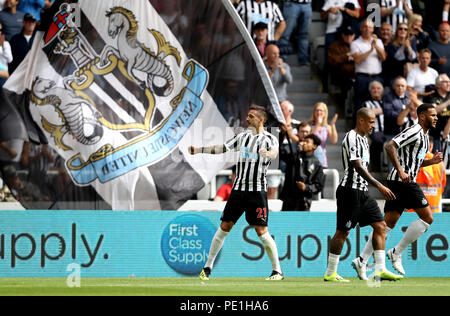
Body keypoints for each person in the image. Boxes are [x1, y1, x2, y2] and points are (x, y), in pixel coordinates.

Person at [189, 105, 284, 281]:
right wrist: (200, 149)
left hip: (257, 192)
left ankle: (277, 271)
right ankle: (207, 268)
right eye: (247, 116)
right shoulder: (242, 137)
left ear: (260, 120)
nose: (247, 119)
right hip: (238, 190)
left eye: (251, 116)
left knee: (262, 231)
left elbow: (274, 153)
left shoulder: (270, 139)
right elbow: (222, 148)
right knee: (224, 227)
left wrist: (268, 153)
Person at [354, 104, 443, 277]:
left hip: (401, 181)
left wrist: (431, 162)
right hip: (403, 181)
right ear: (422, 117)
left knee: (387, 224)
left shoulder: (425, 137)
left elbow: (415, 163)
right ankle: (396, 252)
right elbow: (389, 146)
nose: (436, 118)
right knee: (427, 218)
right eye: (432, 115)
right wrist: (401, 170)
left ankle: (362, 260)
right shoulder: (414, 131)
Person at [324, 108, 401, 282]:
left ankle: (379, 269)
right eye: (371, 122)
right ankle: (330, 272)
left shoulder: (365, 140)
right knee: (342, 232)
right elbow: (358, 166)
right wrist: (379, 184)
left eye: (374, 122)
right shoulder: (351, 137)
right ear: (361, 120)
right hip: (350, 191)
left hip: (363, 192)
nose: (373, 125)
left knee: (380, 226)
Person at [280, 134, 325, 211]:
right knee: (286, 223)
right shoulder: (293, 157)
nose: (304, 143)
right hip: (288, 201)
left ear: (314, 146)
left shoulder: (317, 164)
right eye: (303, 141)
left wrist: (306, 187)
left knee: (301, 223)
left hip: (304, 202)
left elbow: (319, 185)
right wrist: (282, 134)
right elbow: (280, 152)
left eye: (307, 142)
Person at [351, 19, 386, 110]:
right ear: (361, 28)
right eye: (365, 27)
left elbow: (383, 57)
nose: (367, 29)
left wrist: (376, 46)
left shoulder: (378, 42)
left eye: (369, 27)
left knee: (377, 103)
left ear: (373, 29)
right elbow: (357, 60)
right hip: (362, 77)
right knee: (360, 103)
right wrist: (371, 49)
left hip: (377, 77)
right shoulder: (355, 43)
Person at [407, 136, 447, 213]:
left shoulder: (414, 162)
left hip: (415, 211)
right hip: (434, 210)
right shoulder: (440, 163)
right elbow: (443, 185)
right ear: (431, 146)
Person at [327, 24, 356, 109]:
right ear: (342, 35)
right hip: (342, 75)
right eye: (346, 35)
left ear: (354, 35)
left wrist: (354, 58)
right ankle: (343, 108)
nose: (348, 37)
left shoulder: (358, 44)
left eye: (351, 34)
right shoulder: (335, 46)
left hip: (358, 74)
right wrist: (346, 57)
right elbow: (332, 61)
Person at [383, 22, 417, 89]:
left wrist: (409, 47)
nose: (403, 31)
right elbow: (397, 58)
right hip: (394, 76)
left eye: (405, 29)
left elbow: (413, 58)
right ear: (396, 31)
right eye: (400, 29)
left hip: (408, 76)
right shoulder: (391, 44)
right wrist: (404, 46)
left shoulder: (412, 43)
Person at [361, 81, 386, 172]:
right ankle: (376, 168)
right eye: (373, 88)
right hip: (374, 131)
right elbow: (368, 114)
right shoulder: (366, 103)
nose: (376, 90)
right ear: (370, 91)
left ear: (382, 91)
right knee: (377, 140)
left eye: (378, 88)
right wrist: (384, 109)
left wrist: (377, 111)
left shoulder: (387, 101)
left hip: (388, 131)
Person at [278, 0, 312, 66]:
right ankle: (281, 60)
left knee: (304, 35)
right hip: (292, 3)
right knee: (285, 34)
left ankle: (303, 60)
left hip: (307, 4)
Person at [424, 74, 450, 150]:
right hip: (434, 136)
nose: (448, 84)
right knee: (433, 159)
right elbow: (434, 111)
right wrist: (448, 102)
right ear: (438, 85)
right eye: (445, 82)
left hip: (447, 134)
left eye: (449, 81)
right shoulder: (431, 96)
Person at [310, 102, 338, 168]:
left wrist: (333, 125)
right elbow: (308, 138)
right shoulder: (309, 125)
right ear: (314, 112)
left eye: (321, 110)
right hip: (311, 157)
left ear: (325, 113)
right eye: (317, 110)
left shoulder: (327, 127)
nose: (319, 112)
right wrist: (317, 125)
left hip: (322, 158)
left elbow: (334, 140)